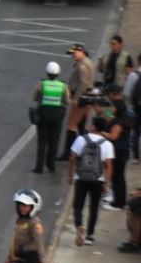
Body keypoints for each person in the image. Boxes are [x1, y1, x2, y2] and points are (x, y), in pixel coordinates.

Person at [68, 117, 116, 246]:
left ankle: (79, 226)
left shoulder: (81, 139)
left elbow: (72, 158)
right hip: (97, 180)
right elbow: (108, 165)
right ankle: (89, 236)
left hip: (81, 177)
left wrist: (71, 175)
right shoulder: (107, 144)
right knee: (94, 208)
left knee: (78, 206)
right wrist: (106, 184)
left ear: (94, 126)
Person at [30, 60, 68, 174]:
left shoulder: (42, 84)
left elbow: (34, 97)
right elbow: (67, 101)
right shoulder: (63, 85)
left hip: (43, 113)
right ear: (58, 73)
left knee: (42, 141)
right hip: (57, 115)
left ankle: (39, 167)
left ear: (47, 73)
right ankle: (51, 165)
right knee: (54, 140)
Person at [61, 43, 96, 157]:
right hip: (87, 99)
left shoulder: (82, 65)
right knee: (81, 126)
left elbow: (83, 84)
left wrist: (76, 99)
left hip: (81, 100)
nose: (73, 55)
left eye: (74, 53)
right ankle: (84, 151)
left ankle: (68, 153)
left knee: (71, 125)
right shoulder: (87, 62)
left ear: (81, 51)